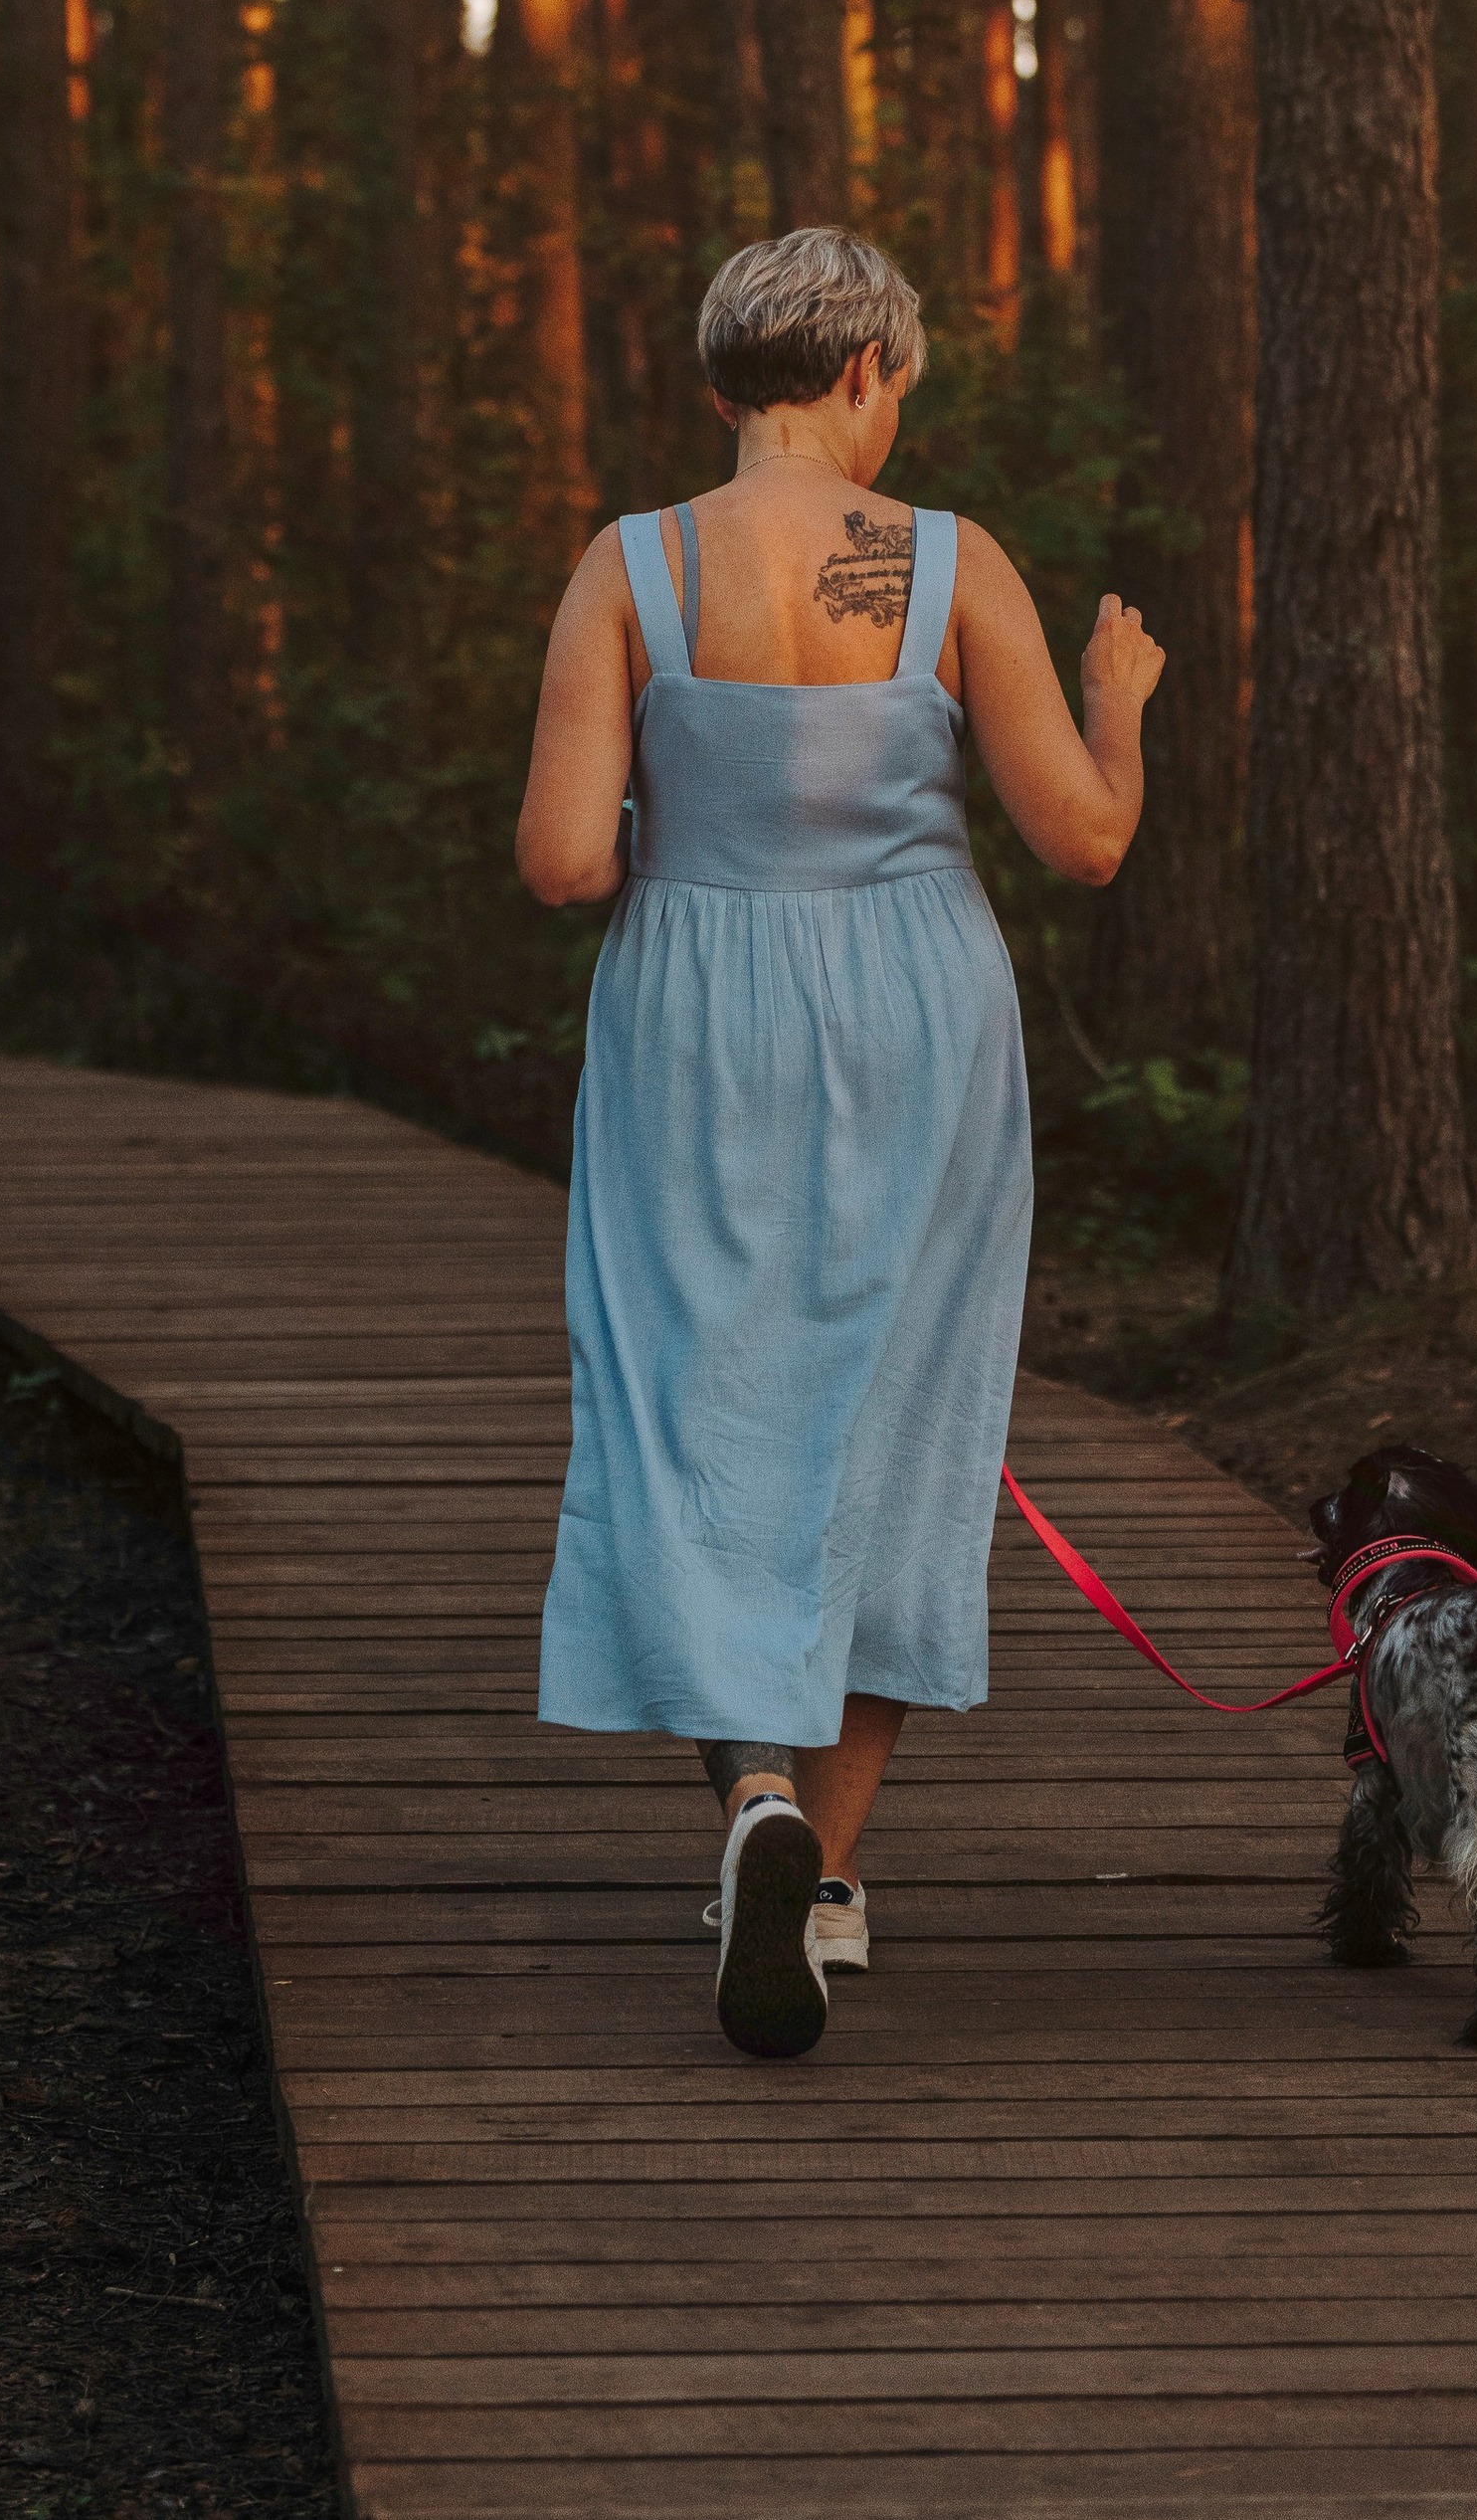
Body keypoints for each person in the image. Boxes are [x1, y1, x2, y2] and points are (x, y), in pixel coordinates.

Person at [515, 227, 1164, 2057]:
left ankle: (756, 1809)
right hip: (916, 1019)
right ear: (868, 370)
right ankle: (828, 1877)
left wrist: (696, 836)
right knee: (901, 1414)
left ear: (726, 383)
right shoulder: (953, 563)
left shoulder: (631, 565)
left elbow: (563, 860)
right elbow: (1086, 839)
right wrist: (1117, 707)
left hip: (695, 1016)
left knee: (686, 1410)